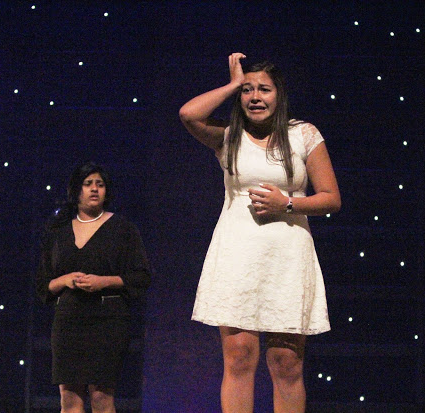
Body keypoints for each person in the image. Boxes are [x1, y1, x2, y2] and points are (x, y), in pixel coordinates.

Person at [179, 53, 341, 413]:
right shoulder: (229, 138)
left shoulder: (303, 134)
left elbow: (331, 198)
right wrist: (233, 83)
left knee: (286, 362)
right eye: (248, 90)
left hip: (287, 257)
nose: (255, 97)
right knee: (238, 357)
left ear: (279, 95)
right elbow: (189, 114)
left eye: (264, 90)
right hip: (238, 255)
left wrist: (287, 203)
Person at [36, 161, 151, 413]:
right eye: (88, 184)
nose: (94, 189)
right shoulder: (58, 232)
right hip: (68, 319)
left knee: (100, 397)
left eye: (99, 184)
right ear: (76, 190)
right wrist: (65, 280)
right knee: (69, 398)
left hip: (108, 319)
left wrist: (103, 282)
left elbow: (141, 277)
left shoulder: (122, 229)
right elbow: (43, 285)